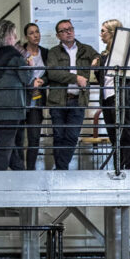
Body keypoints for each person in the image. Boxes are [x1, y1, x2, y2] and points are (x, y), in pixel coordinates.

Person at [0, 20, 42, 171]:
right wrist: (30, 66)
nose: (16, 37)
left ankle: (20, 173)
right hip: (11, 106)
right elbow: (27, 79)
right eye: (14, 34)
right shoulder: (13, 54)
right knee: (5, 146)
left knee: (5, 143)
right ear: (7, 35)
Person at [44, 19, 98, 170]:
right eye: (63, 30)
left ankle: (61, 170)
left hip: (78, 100)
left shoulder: (86, 49)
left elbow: (99, 59)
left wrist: (97, 60)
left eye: (70, 29)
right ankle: (62, 170)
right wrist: (76, 78)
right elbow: (53, 73)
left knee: (72, 136)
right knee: (59, 136)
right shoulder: (53, 52)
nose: (68, 32)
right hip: (58, 101)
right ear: (58, 35)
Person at [94, 18, 130, 170]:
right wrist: (96, 67)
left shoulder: (124, 53)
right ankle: (118, 166)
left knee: (125, 133)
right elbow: (103, 78)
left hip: (121, 97)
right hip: (107, 97)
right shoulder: (104, 56)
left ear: (112, 33)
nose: (101, 34)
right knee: (114, 135)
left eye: (103, 31)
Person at [19, 22, 49, 170]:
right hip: (21, 98)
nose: (35, 35)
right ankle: (18, 169)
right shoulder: (19, 52)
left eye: (37, 32)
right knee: (18, 137)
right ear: (26, 36)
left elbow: (50, 73)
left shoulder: (46, 52)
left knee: (34, 136)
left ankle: (30, 169)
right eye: (31, 33)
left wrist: (43, 81)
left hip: (37, 99)